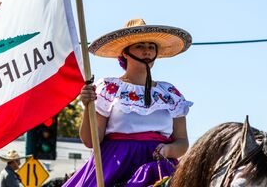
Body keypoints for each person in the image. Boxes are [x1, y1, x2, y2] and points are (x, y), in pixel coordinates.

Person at [63, 18, 193, 187]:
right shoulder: (108, 88)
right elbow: (90, 140)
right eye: (140, 46)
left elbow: (182, 142)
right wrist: (88, 107)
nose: (147, 51)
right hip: (115, 166)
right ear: (125, 52)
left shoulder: (170, 94)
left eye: (151, 47)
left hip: (158, 168)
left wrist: (168, 150)